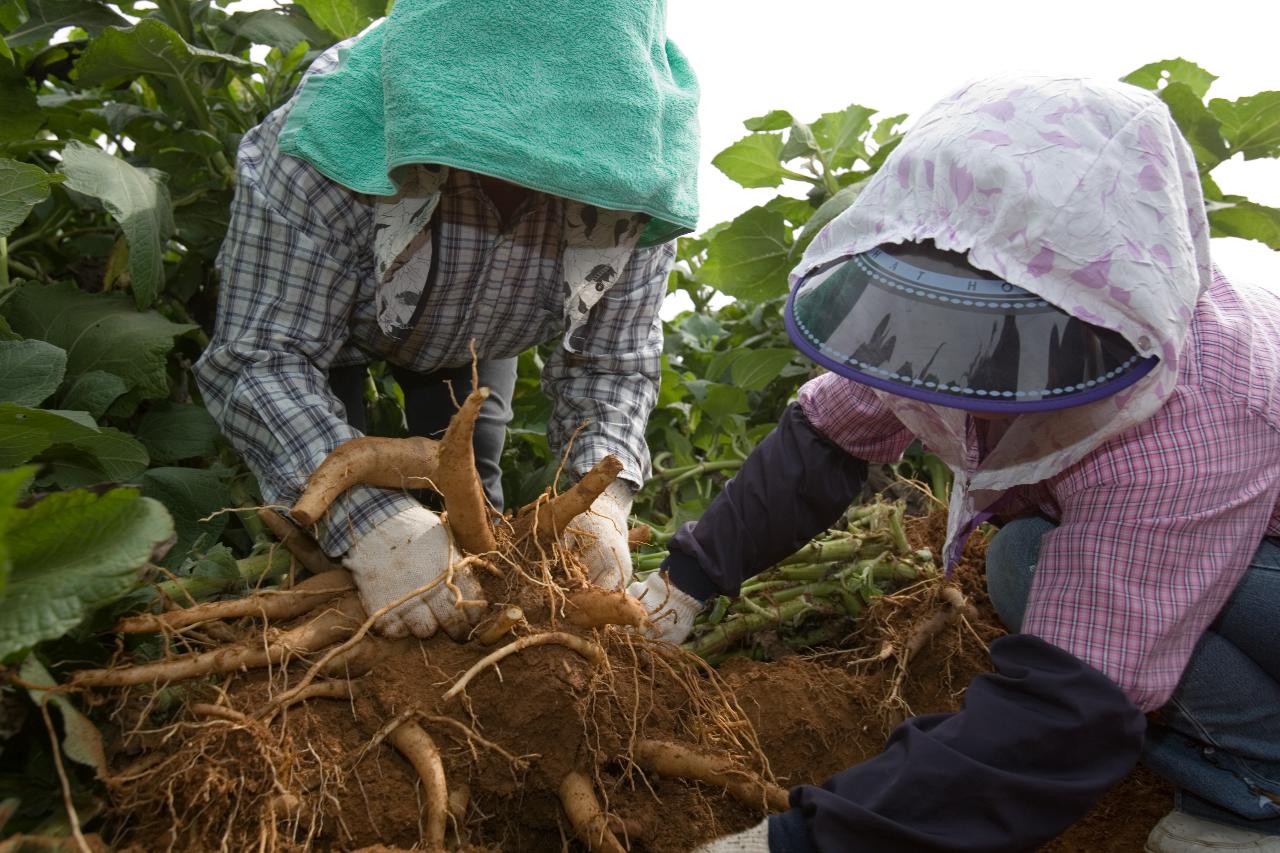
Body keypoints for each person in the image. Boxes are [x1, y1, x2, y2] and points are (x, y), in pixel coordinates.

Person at [628, 75, 1280, 852]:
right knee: (1021, 558)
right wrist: (685, 581)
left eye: (1009, 330)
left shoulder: (1190, 413)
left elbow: (1071, 712)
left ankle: (1254, 787)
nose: (969, 359)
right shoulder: (955, 310)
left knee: (1042, 566)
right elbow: (825, 440)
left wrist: (800, 842)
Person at [195, 0, 699, 640]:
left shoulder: (638, 178)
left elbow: (611, 368)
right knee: (337, 530)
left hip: (480, 342)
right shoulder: (327, 139)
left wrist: (599, 503)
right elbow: (259, 357)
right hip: (328, 335)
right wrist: (370, 521)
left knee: (471, 508)